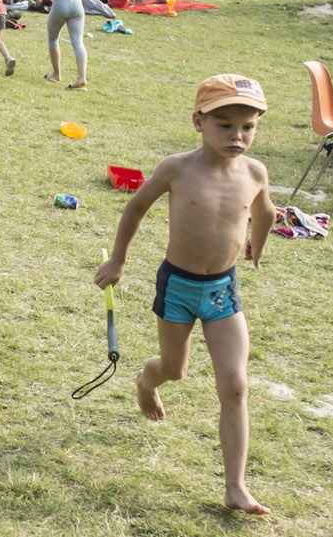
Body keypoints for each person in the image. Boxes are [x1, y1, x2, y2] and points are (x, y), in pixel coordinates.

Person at [93, 74, 275, 516]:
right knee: (173, 370)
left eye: (247, 127)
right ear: (198, 121)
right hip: (176, 285)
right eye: (225, 125)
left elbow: (265, 211)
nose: (237, 136)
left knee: (234, 385)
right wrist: (118, 260)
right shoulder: (176, 168)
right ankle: (145, 381)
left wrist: (257, 244)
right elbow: (135, 207)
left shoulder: (255, 172)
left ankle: (235, 485)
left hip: (221, 291)